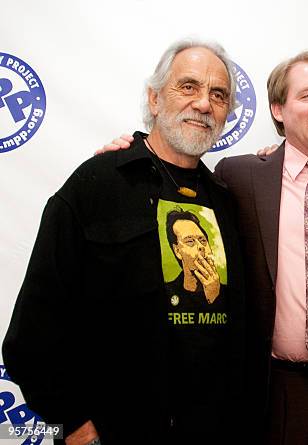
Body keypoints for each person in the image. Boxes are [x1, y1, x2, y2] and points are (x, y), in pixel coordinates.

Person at [103, 51, 308, 445]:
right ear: (278, 109)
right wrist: (130, 151)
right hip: (276, 395)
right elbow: (170, 176)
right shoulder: (240, 177)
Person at [2, 38, 246, 445]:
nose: (204, 103)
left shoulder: (226, 199)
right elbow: (32, 333)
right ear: (153, 99)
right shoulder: (95, 185)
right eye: (188, 87)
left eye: (217, 94)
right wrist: (75, 425)